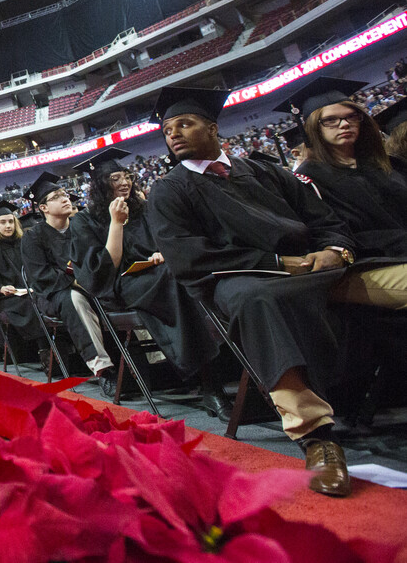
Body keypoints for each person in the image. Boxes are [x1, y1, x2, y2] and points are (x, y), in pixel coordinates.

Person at [146, 86, 407, 498]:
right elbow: (187, 257)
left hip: (322, 272)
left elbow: (325, 219)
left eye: (184, 123)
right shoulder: (169, 190)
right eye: (167, 129)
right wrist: (276, 263)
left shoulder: (267, 172)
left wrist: (335, 250)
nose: (173, 134)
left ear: (213, 128)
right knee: (258, 302)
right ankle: (317, 438)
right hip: (248, 279)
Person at [68, 147, 227, 415]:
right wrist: (116, 223)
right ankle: (209, 382)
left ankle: (225, 362)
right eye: (115, 179)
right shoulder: (84, 221)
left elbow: (168, 239)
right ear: (99, 185)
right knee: (173, 282)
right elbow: (104, 270)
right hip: (122, 284)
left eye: (126, 176)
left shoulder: (142, 208)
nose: (124, 183)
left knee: (186, 273)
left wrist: (163, 252)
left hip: (158, 274)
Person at [282, 77, 407, 257]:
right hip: (377, 261)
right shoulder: (309, 180)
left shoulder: (385, 162)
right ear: (313, 128)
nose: (345, 124)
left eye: (351, 116)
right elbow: (341, 234)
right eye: (330, 120)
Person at [21, 171, 117, 394]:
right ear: (43, 207)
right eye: (56, 196)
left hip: (93, 285)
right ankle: (102, 367)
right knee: (76, 298)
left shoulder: (80, 226)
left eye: (64, 194)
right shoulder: (33, 236)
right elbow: (40, 276)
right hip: (55, 294)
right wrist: (78, 282)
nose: (65, 198)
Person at [0, 201, 51, 365]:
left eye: (11, 221)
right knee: (29, 305)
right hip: (9, 297)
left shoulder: (24, 242)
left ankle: (60, 348)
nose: (8, 226)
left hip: (31, 290)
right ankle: (44, 350)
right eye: (3, 222)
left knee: (44, 300)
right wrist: (1, 288)